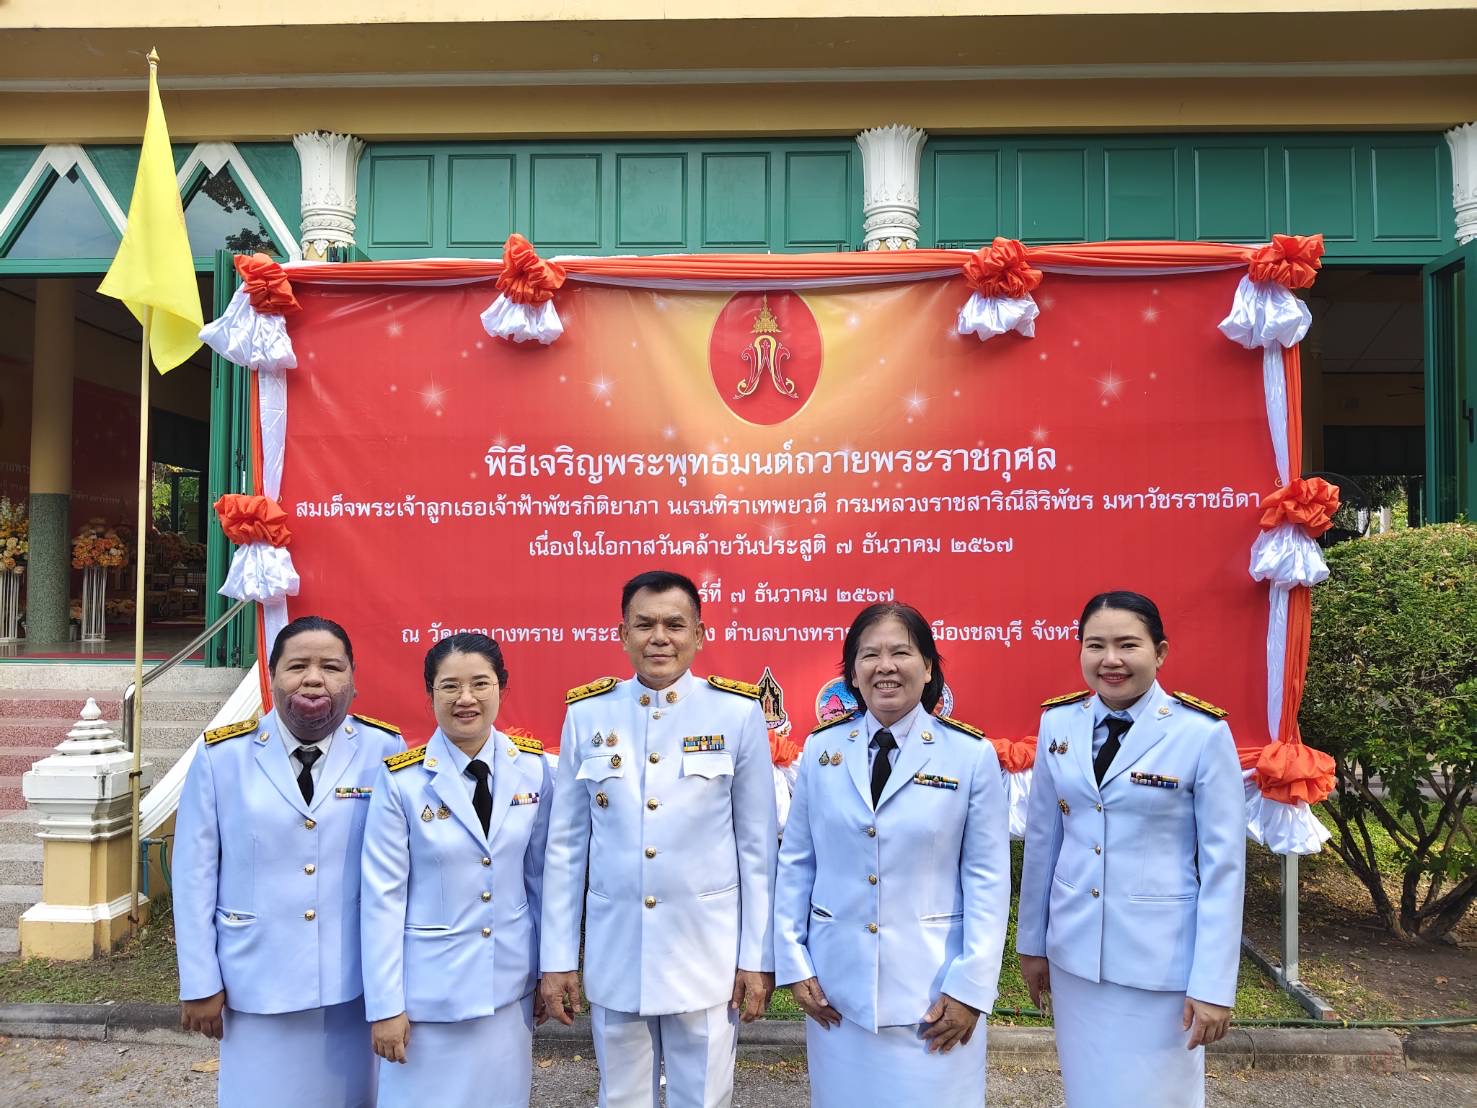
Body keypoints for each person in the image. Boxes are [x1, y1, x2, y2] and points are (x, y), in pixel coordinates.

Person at [540, 569, 778, 1108]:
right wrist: (557, 958)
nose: (659, 638)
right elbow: (565, 850)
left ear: (700, 634)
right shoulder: (588, 714)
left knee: (705, 1097)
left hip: (706, 953)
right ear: (622, 634)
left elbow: (758, 851)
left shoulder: (736, 713)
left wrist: (756, 957)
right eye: (644, 624)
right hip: (618, 950)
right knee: (620, 1097)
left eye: (675, 624)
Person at [773, 601, 1011, 1107]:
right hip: (837, 992)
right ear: (852, 673)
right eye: (870, 655)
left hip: (933, 992)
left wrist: (971, 987)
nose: (885, 666)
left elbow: (988, 878)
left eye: (901, 653)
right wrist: (794, 961)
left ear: (927, 668)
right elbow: (797, 862)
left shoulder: (969, 755)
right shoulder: (822, 751)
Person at [1017, 591, 1246, 1108]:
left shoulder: (1200, 733)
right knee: (1087, 1090)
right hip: (1075, 958)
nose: (1111, 660)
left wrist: (1213, 984)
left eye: (1127, 645)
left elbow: (1224, 869)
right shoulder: (1059, 724)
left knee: (1158, 1095)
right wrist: (1032, 943)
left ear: (1159, 652)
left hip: (1159, 965)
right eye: (1095, 645)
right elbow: (1044, 841)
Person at [173, 615, 404, 1108]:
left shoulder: (385, 750)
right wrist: (199, 980)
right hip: (255, 981)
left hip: (352, 982)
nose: (314, 679)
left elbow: (401, 872)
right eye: (297, 666)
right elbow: (194, 876)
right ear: (272, 675)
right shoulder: (222, 756)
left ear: (354, 679)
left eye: (331, 667)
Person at [360, 632, 554, 1107]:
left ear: (502, 688)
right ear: (430, 695)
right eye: (449, 686)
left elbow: (542, 882)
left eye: (480, 684)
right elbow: (382, 899)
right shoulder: (402, 781)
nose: (465, 698)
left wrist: (546, 971)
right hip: (428, 998)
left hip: (508, 989)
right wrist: (386, 1006)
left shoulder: (534, 770)